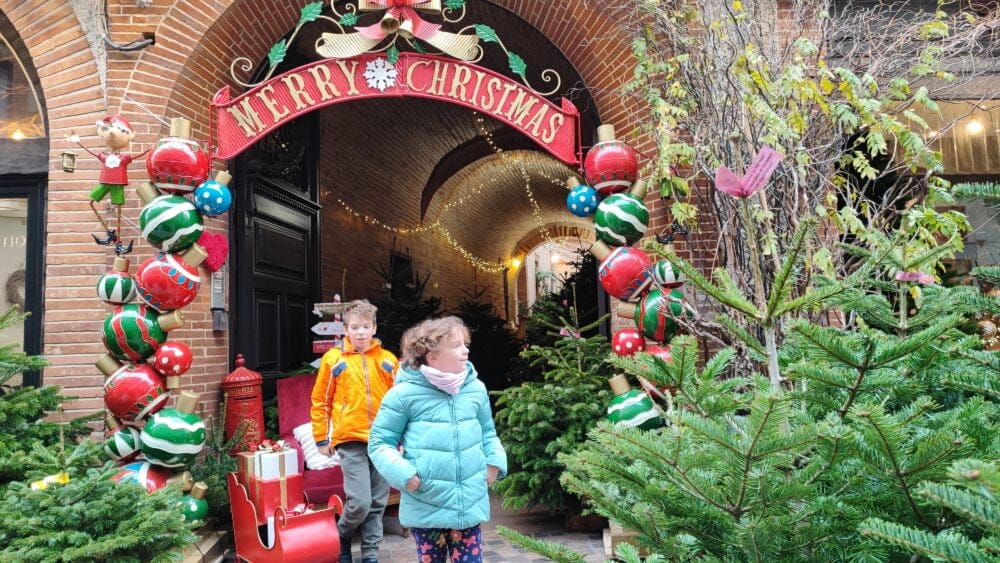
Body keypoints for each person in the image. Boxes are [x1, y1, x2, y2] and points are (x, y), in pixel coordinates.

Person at [368, 316, 507, 563]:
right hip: (426, 500)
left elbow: (488, 432)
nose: (465, 350)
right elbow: (379, 442)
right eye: (456, 345)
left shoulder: (475, 389)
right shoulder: (403, 395)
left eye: (465, 344)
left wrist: (494, 462)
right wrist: (403, 474)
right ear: (432, 357)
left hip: (468, 503)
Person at [310, 299, 399, 563]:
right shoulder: (334, 360)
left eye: (365, 326)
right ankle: (342, 535)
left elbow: (399, 403)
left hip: (383, 442)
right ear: (346, 329)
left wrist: (401, 437)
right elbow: (321, 400)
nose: (360, 332)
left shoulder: (387, 361)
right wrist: (321, 437)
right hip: (350, 440)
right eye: (355, 327)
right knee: (360, 501)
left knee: (377, 503)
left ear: (374, 328)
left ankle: (370, 555)